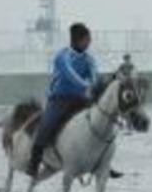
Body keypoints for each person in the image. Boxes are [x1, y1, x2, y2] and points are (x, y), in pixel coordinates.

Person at [27, 23, 99, 178]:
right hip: (60, 99)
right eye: (87, 39)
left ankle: (101, 160)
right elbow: (70, 75)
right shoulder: (62, 56)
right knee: (47, 124)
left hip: (81, 99)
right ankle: (34, 162)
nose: (90, 42)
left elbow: (94, 75)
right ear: (78, 40)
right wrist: (86, 85)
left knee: (100, 120)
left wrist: (94, 86)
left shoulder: (89, 59)